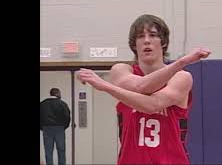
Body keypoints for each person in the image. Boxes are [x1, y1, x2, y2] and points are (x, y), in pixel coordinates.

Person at [77, 14, 211, 164]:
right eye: (141, 36)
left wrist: (104, 86)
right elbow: (140, 86)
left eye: (153, 35)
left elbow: (152, 106)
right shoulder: (121, 70)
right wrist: (183, 61)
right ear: (134, 44)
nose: (147, 40)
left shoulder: (181, 77)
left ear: (164, 42)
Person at [40, 88, 71, 165]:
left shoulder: (42, 104)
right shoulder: (62, 104)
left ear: (51, 94)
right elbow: (67, 117)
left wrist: (42, 128)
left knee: (48, 151)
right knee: (61, 150)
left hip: (46, 129)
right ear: (57, 93)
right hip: (59, 129)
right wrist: (64, 127)